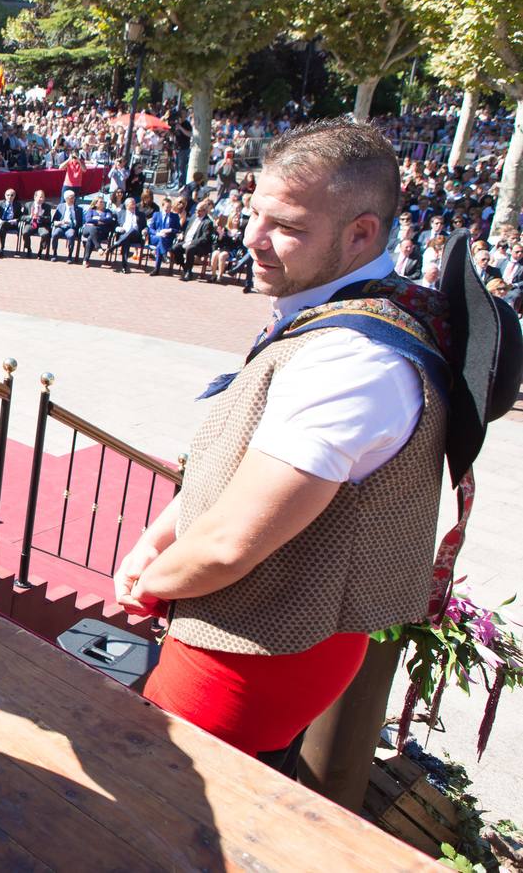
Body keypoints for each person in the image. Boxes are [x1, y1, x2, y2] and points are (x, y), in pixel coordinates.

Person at [115, 120, 521, 776]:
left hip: (248, 655)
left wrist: (149, 582)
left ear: (360, 233)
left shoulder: (350, 361)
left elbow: (230, 544)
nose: (250, 239)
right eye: (252, 214)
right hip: (273, 637)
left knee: (164, 804)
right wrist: (156, 538)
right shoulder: (362, 309)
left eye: (287, 227)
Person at [174, 197, 217, 281]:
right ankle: (185, 268)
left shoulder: (208, 222)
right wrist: (182, 234)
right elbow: (186, 229)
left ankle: (188, 273)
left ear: (204, 211)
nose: (196, 212)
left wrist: (192, 243)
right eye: (196, 210)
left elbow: (205, 238)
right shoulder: (193, 217)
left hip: (200, 246)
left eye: (199, 210)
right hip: (187, 241)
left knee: (190, 249)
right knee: (175, 248)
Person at [79, 195, 116, 268]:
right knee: (93, 228)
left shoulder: (107, 211)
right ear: (96, 203)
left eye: (103, 202)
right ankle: (98, 247)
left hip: (101, 233)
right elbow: (88, 220)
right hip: (88, 230)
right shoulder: (91, 211)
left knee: (90, 238)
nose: (102, 203)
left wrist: (96, 219)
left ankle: (85, 260)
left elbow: (109, 219)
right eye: (100, 202)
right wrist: (98, 222)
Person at [48, 188, 84, 262]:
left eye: (74, 197)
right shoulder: (60, 206)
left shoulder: (78, 209)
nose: (73, 199)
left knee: (71, 235)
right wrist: (60, 222)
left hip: (71, 227)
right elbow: (54, 220)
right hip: (61, 226)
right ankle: (54, 253)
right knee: (55, 234)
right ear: (66, 199)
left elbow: (80, 223)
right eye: (71, 198)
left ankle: (70, 255)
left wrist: (73, 223)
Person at [146, 197, 180, 275]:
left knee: (159, 247)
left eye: (170, 207)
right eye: (166, 207)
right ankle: (164, 255)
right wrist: (158, 233)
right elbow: (150, 229)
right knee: (161, 238)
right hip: (156, 238)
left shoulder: (174, 216)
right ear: (162, 206)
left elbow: (178, 230)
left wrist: (170, 230)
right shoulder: (156, 214)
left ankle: (156, 270)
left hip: (168, 240)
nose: (168, 209)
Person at [111, 196, 145, 273]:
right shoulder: (121, 213)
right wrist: (118, 229)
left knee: (132, 230)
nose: (133, 206)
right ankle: (124, 266)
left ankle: (115, 246)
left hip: (136, 236)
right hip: (124, 235)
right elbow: (114, 226)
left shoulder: (141, 214)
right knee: (126, 241)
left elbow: (145, 226)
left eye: (134, 204)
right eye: (131, 204)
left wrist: (145, 230)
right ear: (126, 206)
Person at [18, 189, 53, 258]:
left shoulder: (47, 207)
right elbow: (21, 217)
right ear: (35, 197)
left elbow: (49, 219)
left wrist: (41, 217)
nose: (41, 199)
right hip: (31, 224)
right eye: (40, 197)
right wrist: (29, 216)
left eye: (43, 197)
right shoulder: (28, 205)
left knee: (45, 234)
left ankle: (40, 251)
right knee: (25, 232)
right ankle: (28, 249)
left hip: (41, 225)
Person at [0, 187, 19, 258]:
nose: (10, 197)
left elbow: (20, 216)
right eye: (8, 195)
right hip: (1, 223)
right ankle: (1, 250)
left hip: (11, 224)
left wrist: (15, 220)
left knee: (3, 225)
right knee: (3, 228)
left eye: (12, 195)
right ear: (5, 195)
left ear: (14, 196)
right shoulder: (0, 203)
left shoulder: (17, 204)